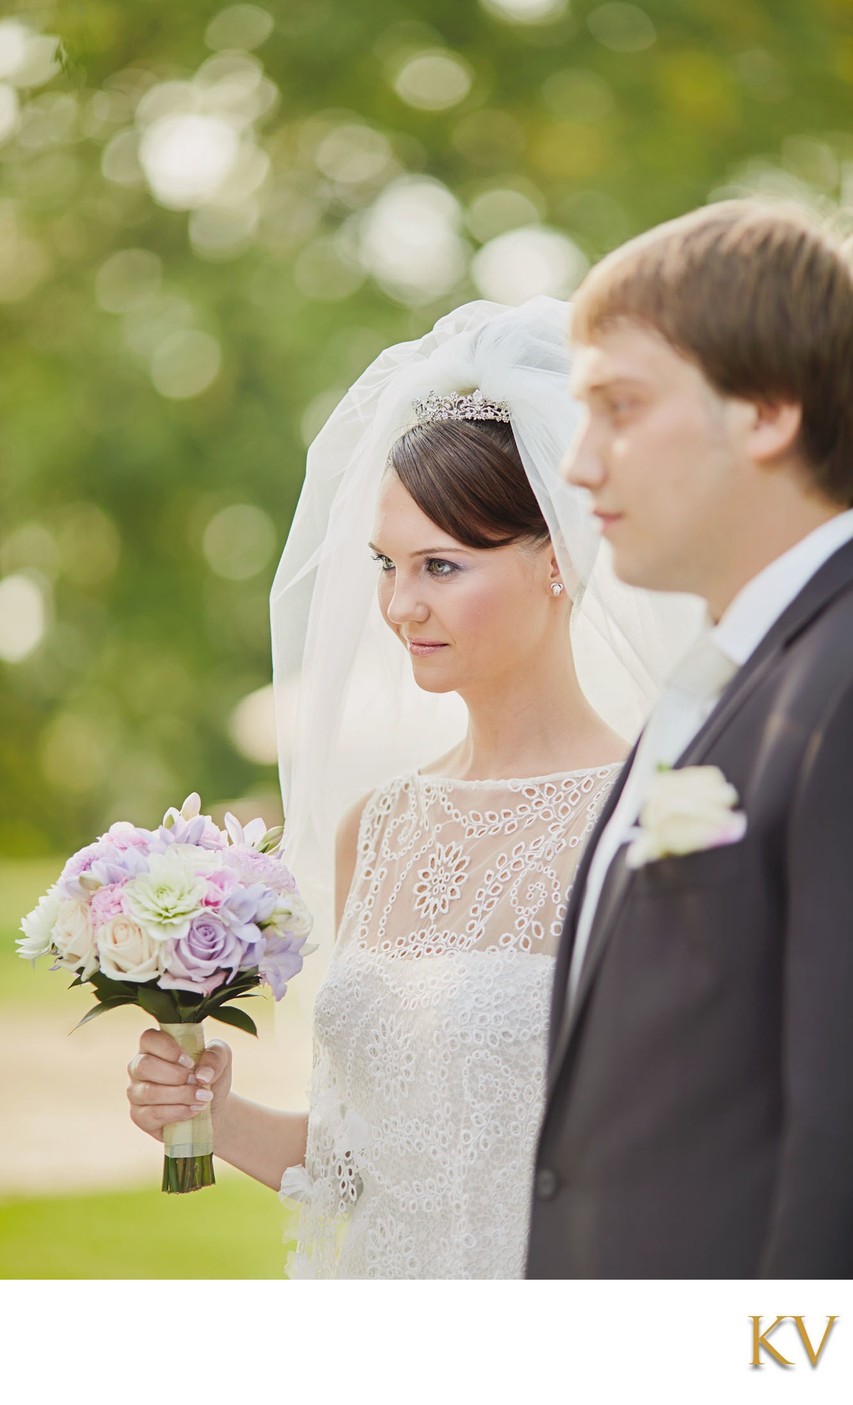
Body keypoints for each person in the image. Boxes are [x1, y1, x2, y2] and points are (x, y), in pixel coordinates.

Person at [126, 298, 700, 1278]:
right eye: (386, 564)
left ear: (557, 558)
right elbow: (357, 1159)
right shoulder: (377, 828)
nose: (399, 605)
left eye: (441, 564)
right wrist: (213, 1115)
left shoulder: (646, 824)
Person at [527, 200, 853, 1278]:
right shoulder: (724, 675)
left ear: (764, 409)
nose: (577, 465)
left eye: (617, 407)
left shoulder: (837, 687)